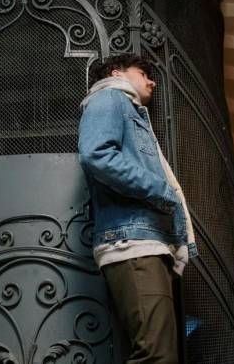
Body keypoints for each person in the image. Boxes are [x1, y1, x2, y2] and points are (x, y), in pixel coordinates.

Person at [78, 54, 197, 363]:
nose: (152, 81)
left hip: (144, 242)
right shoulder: (110, 97)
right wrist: (161, 191)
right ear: (116, 73)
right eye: (143, 73)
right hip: (133, 244)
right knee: (158, 356)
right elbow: (96, 155)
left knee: (159, 353)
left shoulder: (130, 110)